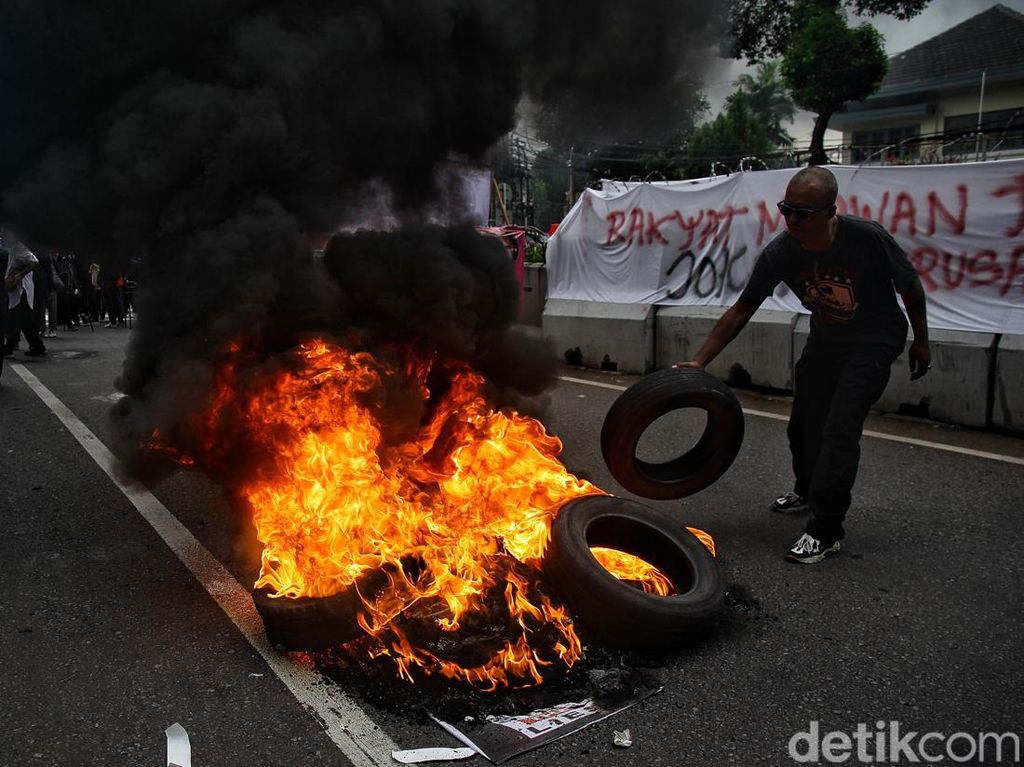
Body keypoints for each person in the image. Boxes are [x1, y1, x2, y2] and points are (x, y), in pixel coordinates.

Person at [676, 166, 930, 564]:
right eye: (786, 210)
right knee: (803, 424)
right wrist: (698, 361)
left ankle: (826, 529)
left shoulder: (867, 238)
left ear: (830, 211)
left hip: (874, 341)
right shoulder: (782, 251)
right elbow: (743, 308)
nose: (792, 220)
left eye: (802, 213)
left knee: (839, 427)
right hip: (827, 340)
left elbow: (911, 289)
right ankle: (808, 489)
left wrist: (922, 342)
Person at [3, 233, 46, 358]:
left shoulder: (19, 247)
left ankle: (12, 346)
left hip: (22, 290)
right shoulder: (13, 249)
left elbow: (34, 262)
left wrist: (19, 276)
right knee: (23, 321)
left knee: (18, 319)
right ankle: (35, 345)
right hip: (18, 291)